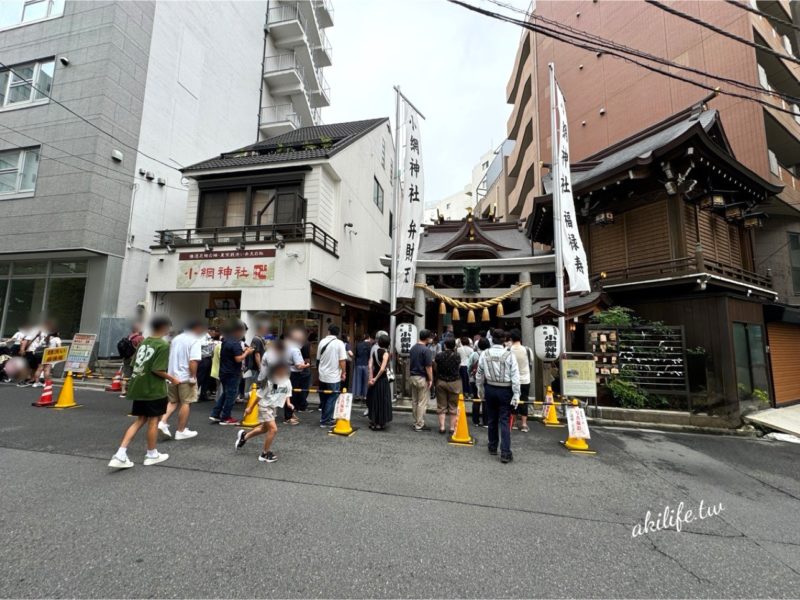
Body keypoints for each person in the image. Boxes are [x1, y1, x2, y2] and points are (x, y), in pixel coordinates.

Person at [108, 315, 180, 469]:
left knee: (140, 420)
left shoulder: (144, 341)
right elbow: (157, 369)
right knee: (153, 421)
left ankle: (120, 453)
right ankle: (151, 454)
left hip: (139, 386)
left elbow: (135, 364)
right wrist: (172, 379)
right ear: (164, 327)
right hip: (153, 388)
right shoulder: (163, 345)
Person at [476, 329, 520, 464]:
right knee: (504, 420)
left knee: (491, 419)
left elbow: (479, 374)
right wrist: (516, 394)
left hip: (490, 388)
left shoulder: (484, 354)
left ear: (492, 340)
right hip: (505, 389)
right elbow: (515, 377)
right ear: (504, 341)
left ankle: (492, 446)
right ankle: (505, 453)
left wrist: (480, 389)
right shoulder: (510, 355)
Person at [235, 361, 293, 463]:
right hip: (264, 406)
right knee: (273, 429)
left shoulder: (287, 380)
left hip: (273, 407)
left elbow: (288, 392)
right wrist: (250, 408)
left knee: (264, 429)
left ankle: (244, 437)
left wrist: (288, 403)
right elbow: (259, 396)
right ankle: (264, 454)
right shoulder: (269, 381)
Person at [158, 320, 204, 440]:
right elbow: (193, 361)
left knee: (173, 402)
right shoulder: (194, 340)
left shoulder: (176, 339)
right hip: (185, 376)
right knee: (186, 402)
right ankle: (181, 431)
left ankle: (162, 422)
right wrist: (193, 377)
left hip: (172, 375)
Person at [210, 320, 254, 425]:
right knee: (231, 395)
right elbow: (238, 359)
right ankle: (226, 417)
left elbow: (232, 355)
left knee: (226, 393)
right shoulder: (235, 343)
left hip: (224, 372)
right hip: (232, 373)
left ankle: (215, 414)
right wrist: (247, 352)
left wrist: (243, 351)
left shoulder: (226, 341)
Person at [316, 324, 347, 428]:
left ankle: (325, 418)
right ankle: (325, 420)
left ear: (328, 331)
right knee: (332, 397)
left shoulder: (321, 342)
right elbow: (342, 360)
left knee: (324, 397)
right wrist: (343, 372)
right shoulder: (339, 343)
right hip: (333, 376)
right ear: (337, 333)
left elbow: (318, 359)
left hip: (322, 375)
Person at [434, 336, 462, 434]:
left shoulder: (439, 355)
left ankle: (442, 427)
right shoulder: (457, 356)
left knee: (441, 405)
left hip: (441, 381)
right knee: (453, 405)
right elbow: (458, 367)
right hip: (454, 382)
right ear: (454, 346)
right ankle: (452, 428)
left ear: (444, 345)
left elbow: (435, 368)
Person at [509, 328, 534, 433]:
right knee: (524, 400)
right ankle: (524, 424)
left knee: (513, 400)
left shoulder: (508, 350)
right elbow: (531, 362)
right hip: (525, 379)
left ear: (511, 338)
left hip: (512, 380)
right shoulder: (527, 350)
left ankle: (513, 423)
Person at [408, 329, 433, 431]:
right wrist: (430, 379)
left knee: (415, 401)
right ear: (427, 338)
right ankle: (419, 424)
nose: (431, 339)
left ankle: (416, 422)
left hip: (412, 376)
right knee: (421, 402)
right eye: (430, 337)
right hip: (422, 377)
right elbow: (428, 367)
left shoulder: (413, 348)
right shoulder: (426, 350)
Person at [366, 334, 392, 430]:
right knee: (382, 400)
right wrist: (376, 379)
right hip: (382, 379)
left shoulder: (375, 352)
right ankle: (380, 423)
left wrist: (371, 378)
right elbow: (382, 369)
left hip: (374, 378)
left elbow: (370, 365)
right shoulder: (386, 353)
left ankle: (373, 421)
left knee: (374, 400)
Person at [287, 327, 311, 413]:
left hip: (288, 371)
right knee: (295, 391)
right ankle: (292, 412)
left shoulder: (287, 346)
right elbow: (298, 365)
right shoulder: (295, 349)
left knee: (291, 392)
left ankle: (293, 410)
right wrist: (307, 365)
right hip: (295, 372)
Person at [469, 337, 490, 427]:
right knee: (486, 401)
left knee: (476, 400)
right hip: (487, 380)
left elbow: (469, 367)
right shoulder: (489, 354)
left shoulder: (474, 354)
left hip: (475, 380)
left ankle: (475, 421)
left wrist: (470, 376)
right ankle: (486, 421)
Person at [120, 323, 144, 398]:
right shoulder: (140, 338)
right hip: (135, 358)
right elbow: (143, 348)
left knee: (126, 374)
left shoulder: (128, 337)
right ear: (137, 329)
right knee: (136, 374)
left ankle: (123, 391)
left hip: (126, 358)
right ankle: (132, 391)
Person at [197, 325, 219, 401]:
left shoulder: (211, 338)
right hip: (203, 358)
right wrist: (211, 342)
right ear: (209, 331)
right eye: (214, 331)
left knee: (207, 378)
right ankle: (194, 394)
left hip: (209, 358)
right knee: (200, 377)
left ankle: (203, 395)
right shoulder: (203, 337)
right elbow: (200, 343)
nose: (215, 333)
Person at [352, 333, 372, 402]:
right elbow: (370, 356)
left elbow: (356, 354)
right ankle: (365, 396)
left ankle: (357, 396)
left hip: (358, 364)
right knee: (365, 381)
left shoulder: (358, 344)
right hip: (366, 364)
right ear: (368, 338)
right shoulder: (370, 345)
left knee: (358, 380)